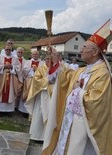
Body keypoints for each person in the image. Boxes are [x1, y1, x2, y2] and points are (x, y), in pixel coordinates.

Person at [42, 20, 112, 155]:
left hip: (84, 126)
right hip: (70, 119)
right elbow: (66, 77)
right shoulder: (83, 70)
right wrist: (56, 59)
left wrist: (78, 91)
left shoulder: (102, 73)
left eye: (84, 47)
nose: (80, 50)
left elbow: (97, 102)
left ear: (94, 52)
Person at [24, 53, 50, 143]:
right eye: (47, 59)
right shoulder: (40, 68)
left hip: (50, 96)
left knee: (48, 114)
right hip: (41, 95)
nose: (48, 61)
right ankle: (36, 136)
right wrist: (47, 80)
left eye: (50, 60)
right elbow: (36, 80)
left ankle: (45, 136)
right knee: (39, 115)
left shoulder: (55, 70)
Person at [0, 44, 21, 116]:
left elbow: (19, 68)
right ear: (4, 50)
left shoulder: (15, 59)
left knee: (10, 93)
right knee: (1, 92)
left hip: (11, 79)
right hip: (1, 78)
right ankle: (0, 110)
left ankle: (9, 111)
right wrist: (3, 66)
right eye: (7, 49)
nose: (8, 51)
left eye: (9, 49)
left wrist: (12, 66)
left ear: (11, 50)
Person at [18, 49, 44, 115]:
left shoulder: (42, 63)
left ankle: (32, 112)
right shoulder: (27, 62)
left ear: (38, 55)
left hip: (37, 83)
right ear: (31, 55)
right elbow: (24, 70)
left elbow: (44, 72)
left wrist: (37, 70)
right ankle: (24, 111)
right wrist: (32, 69)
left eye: (36, 54)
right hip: (28, 81)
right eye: (33, 54)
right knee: (26, 94)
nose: (35, 55)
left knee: (34, 96)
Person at [14, 47, 26, 111]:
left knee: (20, 93)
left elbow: (25, 69)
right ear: (16, 52)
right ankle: (12, 106)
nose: (20, 53)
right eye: (19, 52)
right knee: (14, 92)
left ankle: (17, 106)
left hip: (22, 78)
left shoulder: (25, 61)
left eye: (21, 52)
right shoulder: (13, 59)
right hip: (15, 77)